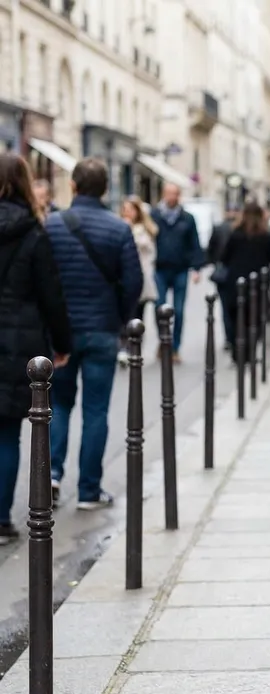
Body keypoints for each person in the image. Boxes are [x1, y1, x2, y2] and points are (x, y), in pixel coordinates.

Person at [45, 158, 143, 510]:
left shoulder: (51, 225)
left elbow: (41, 279)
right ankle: (88, 490)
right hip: (101, 328)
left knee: (58, 405)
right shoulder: (119, 229)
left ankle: (52, 475)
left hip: (61, 332)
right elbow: (133, 282)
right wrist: (119, 317)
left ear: (72, 186)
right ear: (105, 189)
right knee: (96, 410)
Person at [0, 155, 71, 543]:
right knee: (7, 433)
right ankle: (0, 519)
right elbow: (50, 295)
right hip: (18, 341)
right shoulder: (33, 231)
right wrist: (62, 345)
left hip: (16, 338)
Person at [150, 183, 205, 363]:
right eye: (169, 193)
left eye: (174, 194)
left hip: (180, 269)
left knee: (179, 310)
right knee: (159, 307)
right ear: (164, 194)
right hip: (160, 269)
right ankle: (163, 342)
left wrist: (197, 268)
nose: (171, 197)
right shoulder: (154, 215)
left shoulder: (187, 218)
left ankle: (174, 347)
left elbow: (195, 243)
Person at [218, 200, 270, 359]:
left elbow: (224, 257)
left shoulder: (236, 234)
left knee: (236, 316)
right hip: (258, 283)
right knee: (255, 317)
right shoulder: (265, 236)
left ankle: (237, 351)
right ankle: (249, 352)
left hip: (236, 282)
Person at [118, 195, 159, 365]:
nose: (127, 213)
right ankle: (123, 347)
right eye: (125, 209)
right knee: (124, 314)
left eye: (131, 209)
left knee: (138, 314)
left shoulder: (145, 229)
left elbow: (148, 249)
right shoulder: (118, 227)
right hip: (122, 278)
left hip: (141, 278)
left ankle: (135, 348)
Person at [207, 209, 239, 349]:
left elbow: (211, 251)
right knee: (238, 307)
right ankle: (236, 336)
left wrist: (216, 263)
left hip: (224, 275)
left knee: (226, 308)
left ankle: (229, 338)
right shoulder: (240, 229)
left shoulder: (219, 228)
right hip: (237, 274)